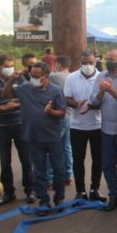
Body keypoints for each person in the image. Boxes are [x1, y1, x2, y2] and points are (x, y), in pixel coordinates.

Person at [2, 62, 67, 216]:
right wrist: (11, 80)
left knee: (58, 169)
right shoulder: (24, 89)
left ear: (46, 76)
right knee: (39, 171)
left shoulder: (56, 91)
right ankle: (43, 200)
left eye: (37, 76)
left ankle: (59, 198)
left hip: (53, 137)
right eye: (32, 75)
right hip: (33, 137)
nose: (34, 78)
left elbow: (62, 113)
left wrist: (51, 112)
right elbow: (5, 95)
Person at [0, 54, 35, 206]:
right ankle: (8, 192)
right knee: (5, 162)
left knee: (26, 159)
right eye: (7, 66)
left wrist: (16, 104)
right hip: (1, 127)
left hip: (20, 125)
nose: (10, 69)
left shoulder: (20, 78)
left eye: (12, 66)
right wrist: (2, 107)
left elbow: (28, 97)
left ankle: (29, 190)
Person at [90, 49, 117, 211]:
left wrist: (111, 91)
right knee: (108, 165)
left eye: (112, 59)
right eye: (107, 58)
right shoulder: (101, 77)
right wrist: (102, 91)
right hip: (106, 129)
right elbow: (93, 101)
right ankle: (113, 196)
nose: (109, 61)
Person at [64, 52, 105, 201]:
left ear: (95, 63)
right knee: (78, 159)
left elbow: (105, 102)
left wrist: (91, 107)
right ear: (80, 63)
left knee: (98, 159)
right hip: (77, 126)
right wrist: (76, 104)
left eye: (90, 62)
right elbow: (66, 98)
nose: (87, 66)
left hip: (97, 125)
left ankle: (95, 188)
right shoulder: (71, 77)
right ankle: (80, 191)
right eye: (84, 63)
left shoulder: (101, 78)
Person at [47, 55, 73, 186]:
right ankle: (68, 175)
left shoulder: (55, 76)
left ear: (59, 64)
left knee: (52, 148)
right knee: (66, 147)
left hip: (57, 116)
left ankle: (49, 178)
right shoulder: (71, 76)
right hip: (69, 115)